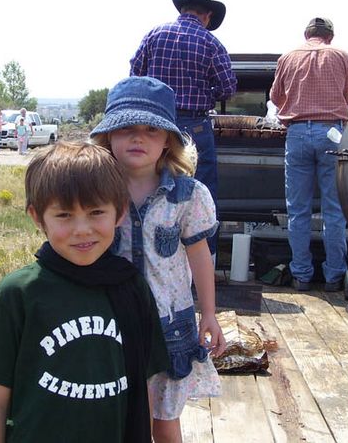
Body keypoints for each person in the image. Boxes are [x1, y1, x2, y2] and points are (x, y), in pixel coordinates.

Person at [0, 141, 170, 442]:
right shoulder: (16, 295)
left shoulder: (132, 288)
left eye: (96, 212)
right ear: (36, 216)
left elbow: (144, 384)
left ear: (120, 212)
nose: (82, 229)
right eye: (64, 215)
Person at [91, 76, 226, 443]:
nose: (139, 138)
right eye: (127, 129)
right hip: (108, 322)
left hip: (169, 325)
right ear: (108, 137)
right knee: (119, 420)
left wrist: (209, 313)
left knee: (164, 421)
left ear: (168, 139)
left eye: (152, 129)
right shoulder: (94, 190)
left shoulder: (188, 195)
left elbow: (200, 256)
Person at [129, 0, 238, 258]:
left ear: (184, 9)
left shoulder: (155, 35)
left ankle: (148, 255)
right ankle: (202, 261)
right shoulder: (211, 43)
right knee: (200, 194)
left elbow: (134, 76)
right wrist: (205, 93)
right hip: (195, 127)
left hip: (156, 124)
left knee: (151, 186)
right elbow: (227, 87)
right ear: (207, 15)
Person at [270, 17, 348, 292]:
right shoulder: (342, 56)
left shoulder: (288, 57)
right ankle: (333, 277)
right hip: (332, 133)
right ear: (330, 36)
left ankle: (302, 275)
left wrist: (294, 106)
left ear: (306, 34)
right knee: (334, 210)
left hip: (297, 133)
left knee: (298, 211)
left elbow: (276, 96)